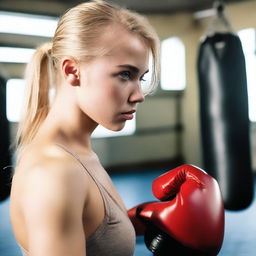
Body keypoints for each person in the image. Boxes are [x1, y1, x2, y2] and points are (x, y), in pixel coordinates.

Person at [9, 1, 160, 256]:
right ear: (72, 71)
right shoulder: (56, 171)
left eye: (141, 78)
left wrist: (140, 222)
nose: (139, 95)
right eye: (125, 74)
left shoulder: (76, 153)